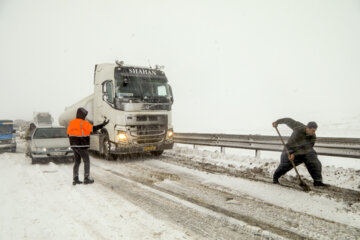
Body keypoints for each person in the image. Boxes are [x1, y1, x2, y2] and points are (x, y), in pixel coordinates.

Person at [272, 118, 329, 187]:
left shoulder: (313, 137)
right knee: (285, 165)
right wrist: (277, 122)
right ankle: (275, 177)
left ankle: (318, 181)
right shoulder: (298, 126)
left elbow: (307, 149)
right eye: (312, 131)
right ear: (307, 128)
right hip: (289, 150)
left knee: (313, 157)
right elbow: (288, 120)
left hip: (302, 152)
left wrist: (295, 155)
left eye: (314, 131)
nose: (313, 133)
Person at [67, 107, 109, 185]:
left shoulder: (72, 122)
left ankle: (75, 178)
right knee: (86, 161)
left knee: (77, 162)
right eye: (84, 115)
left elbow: (68, 134)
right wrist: (102, 125)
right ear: (82, 115)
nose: (85, 116)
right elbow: (93, 129)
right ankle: (86, 178)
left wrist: (74, 140)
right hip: (82, 145)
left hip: (74, 146)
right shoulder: (83, 123)